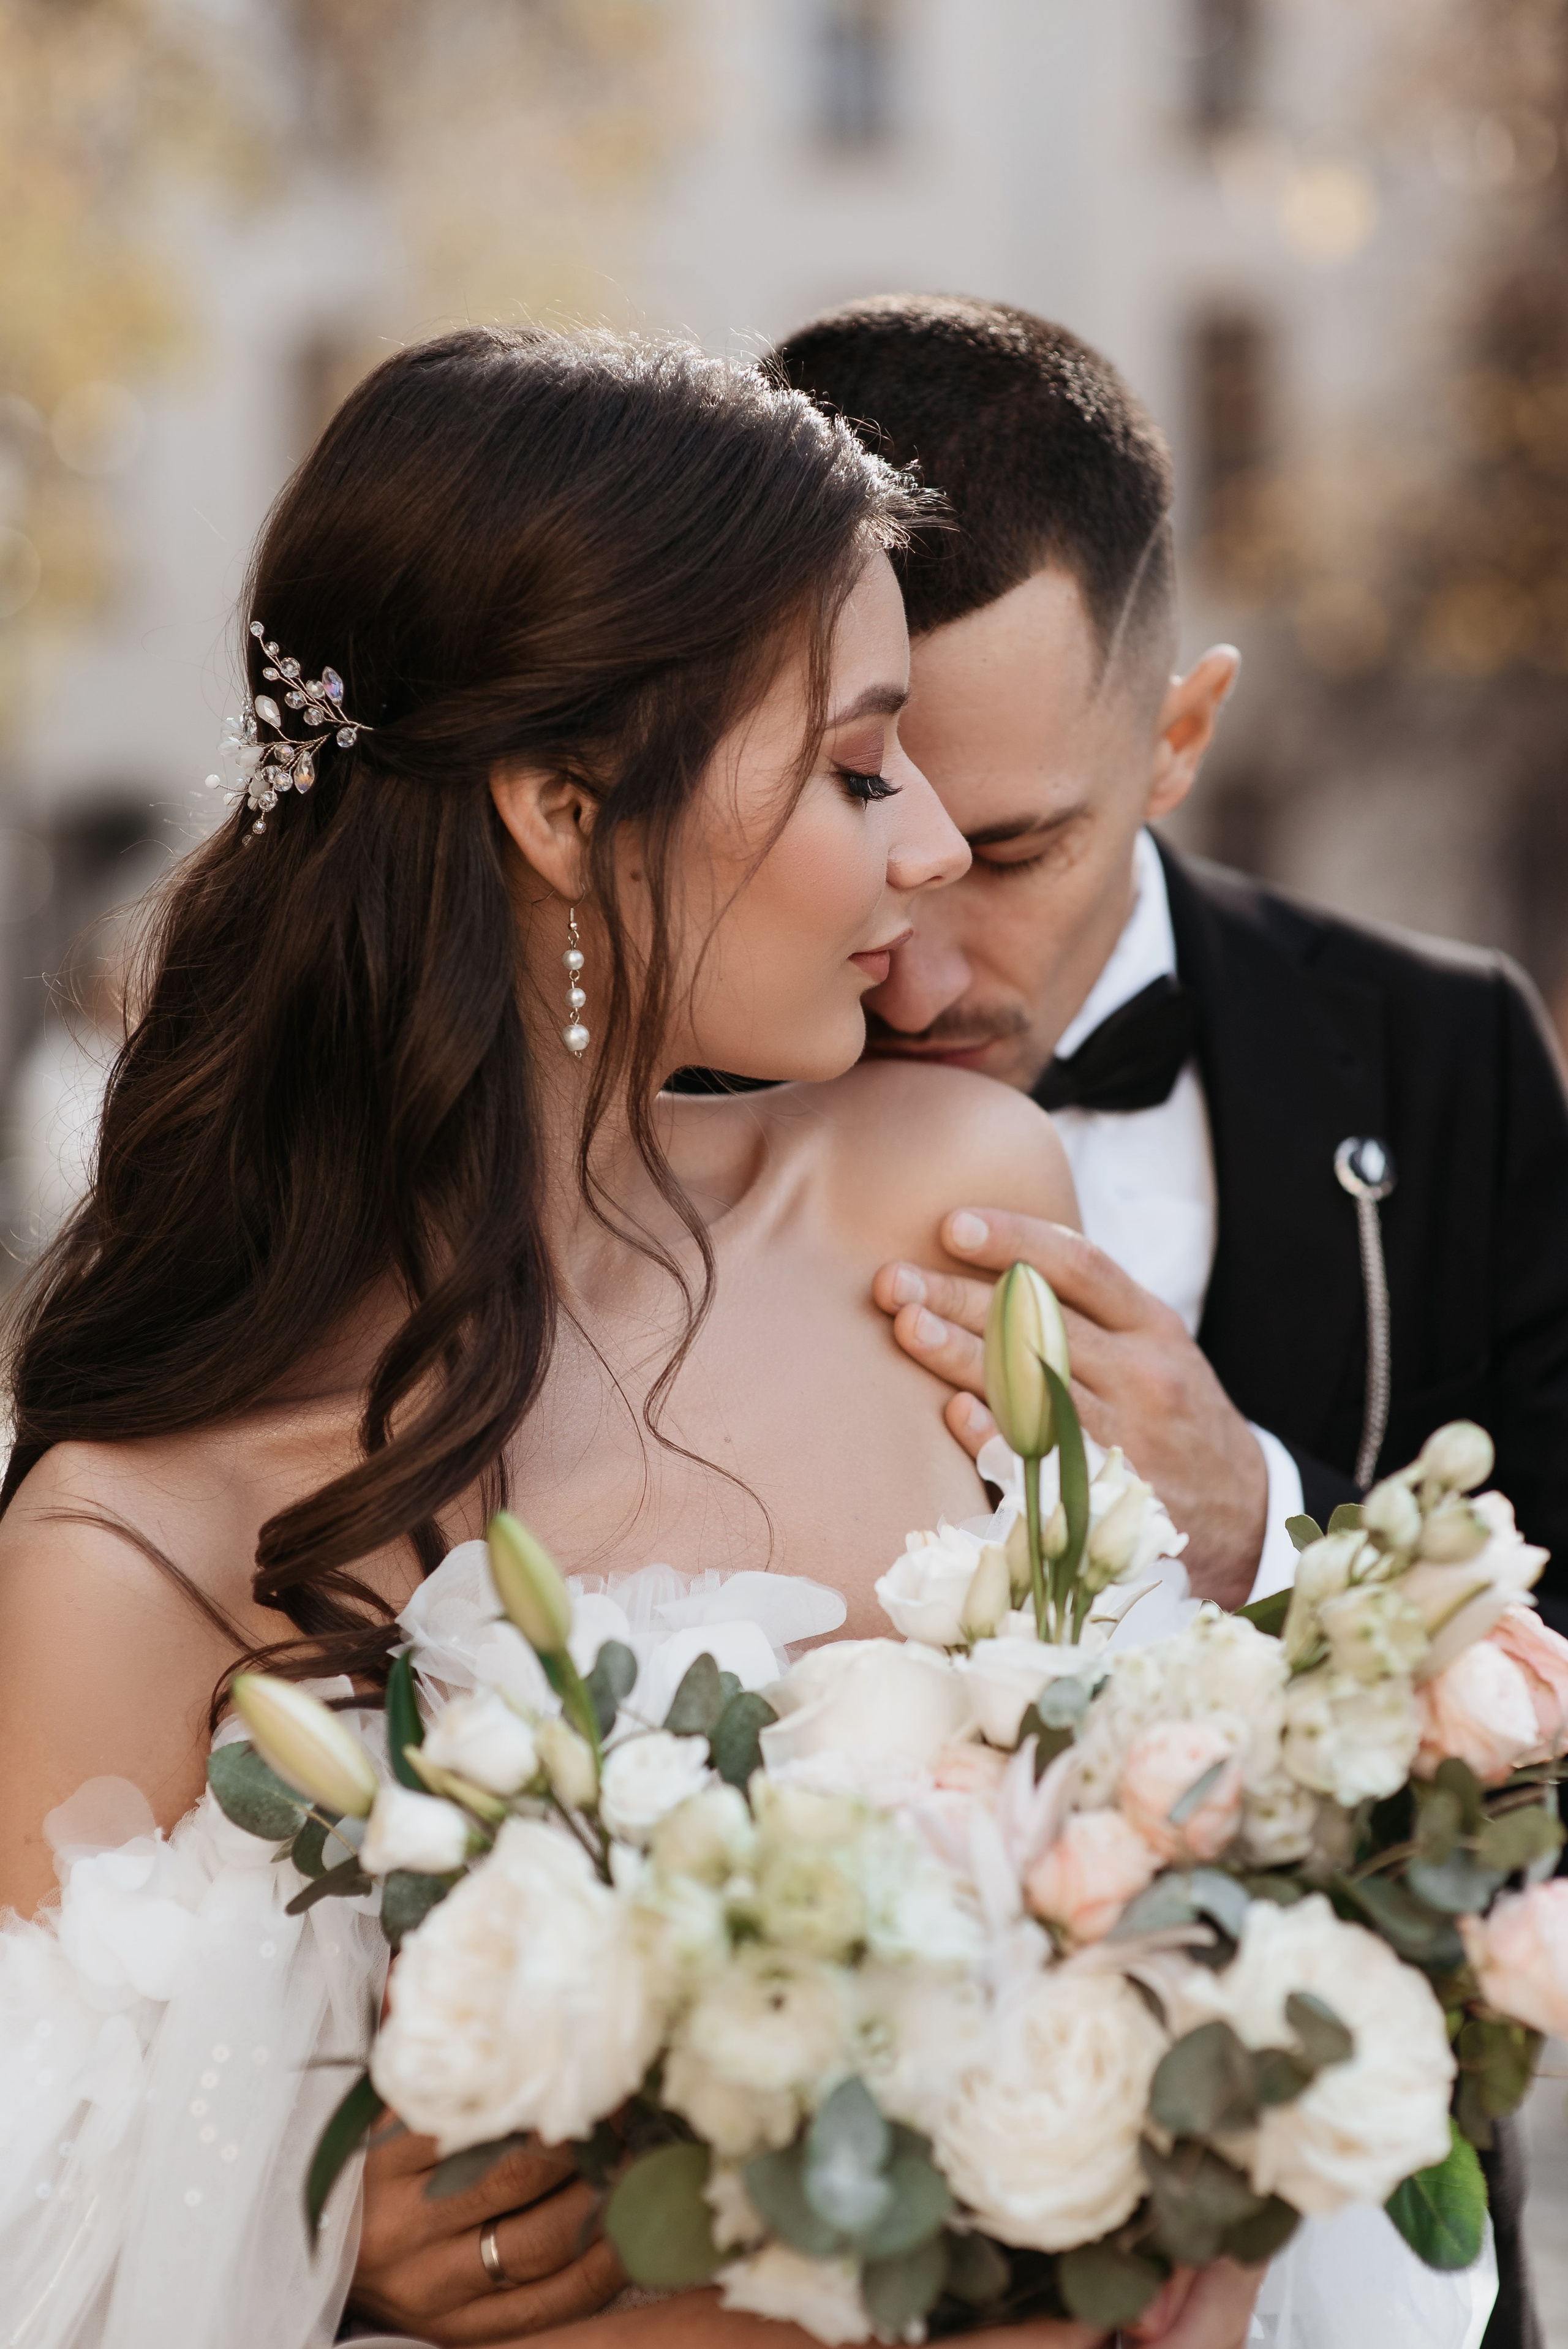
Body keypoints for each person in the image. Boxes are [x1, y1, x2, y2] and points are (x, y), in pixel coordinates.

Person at [0, 328, 1261, 2349]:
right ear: (562, 810)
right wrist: (334, 2259)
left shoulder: (944, 1197)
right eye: (861, 768)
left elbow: (1201, 1878)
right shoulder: (133, 1557)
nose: (929, 847)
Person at [773, 292, 1564, 2349]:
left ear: (1182, 733)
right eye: (855, 796)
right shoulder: (640, 1122)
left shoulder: (1445, 1056)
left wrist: (1266, 1522)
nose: (913, 941)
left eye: (1010, 846)